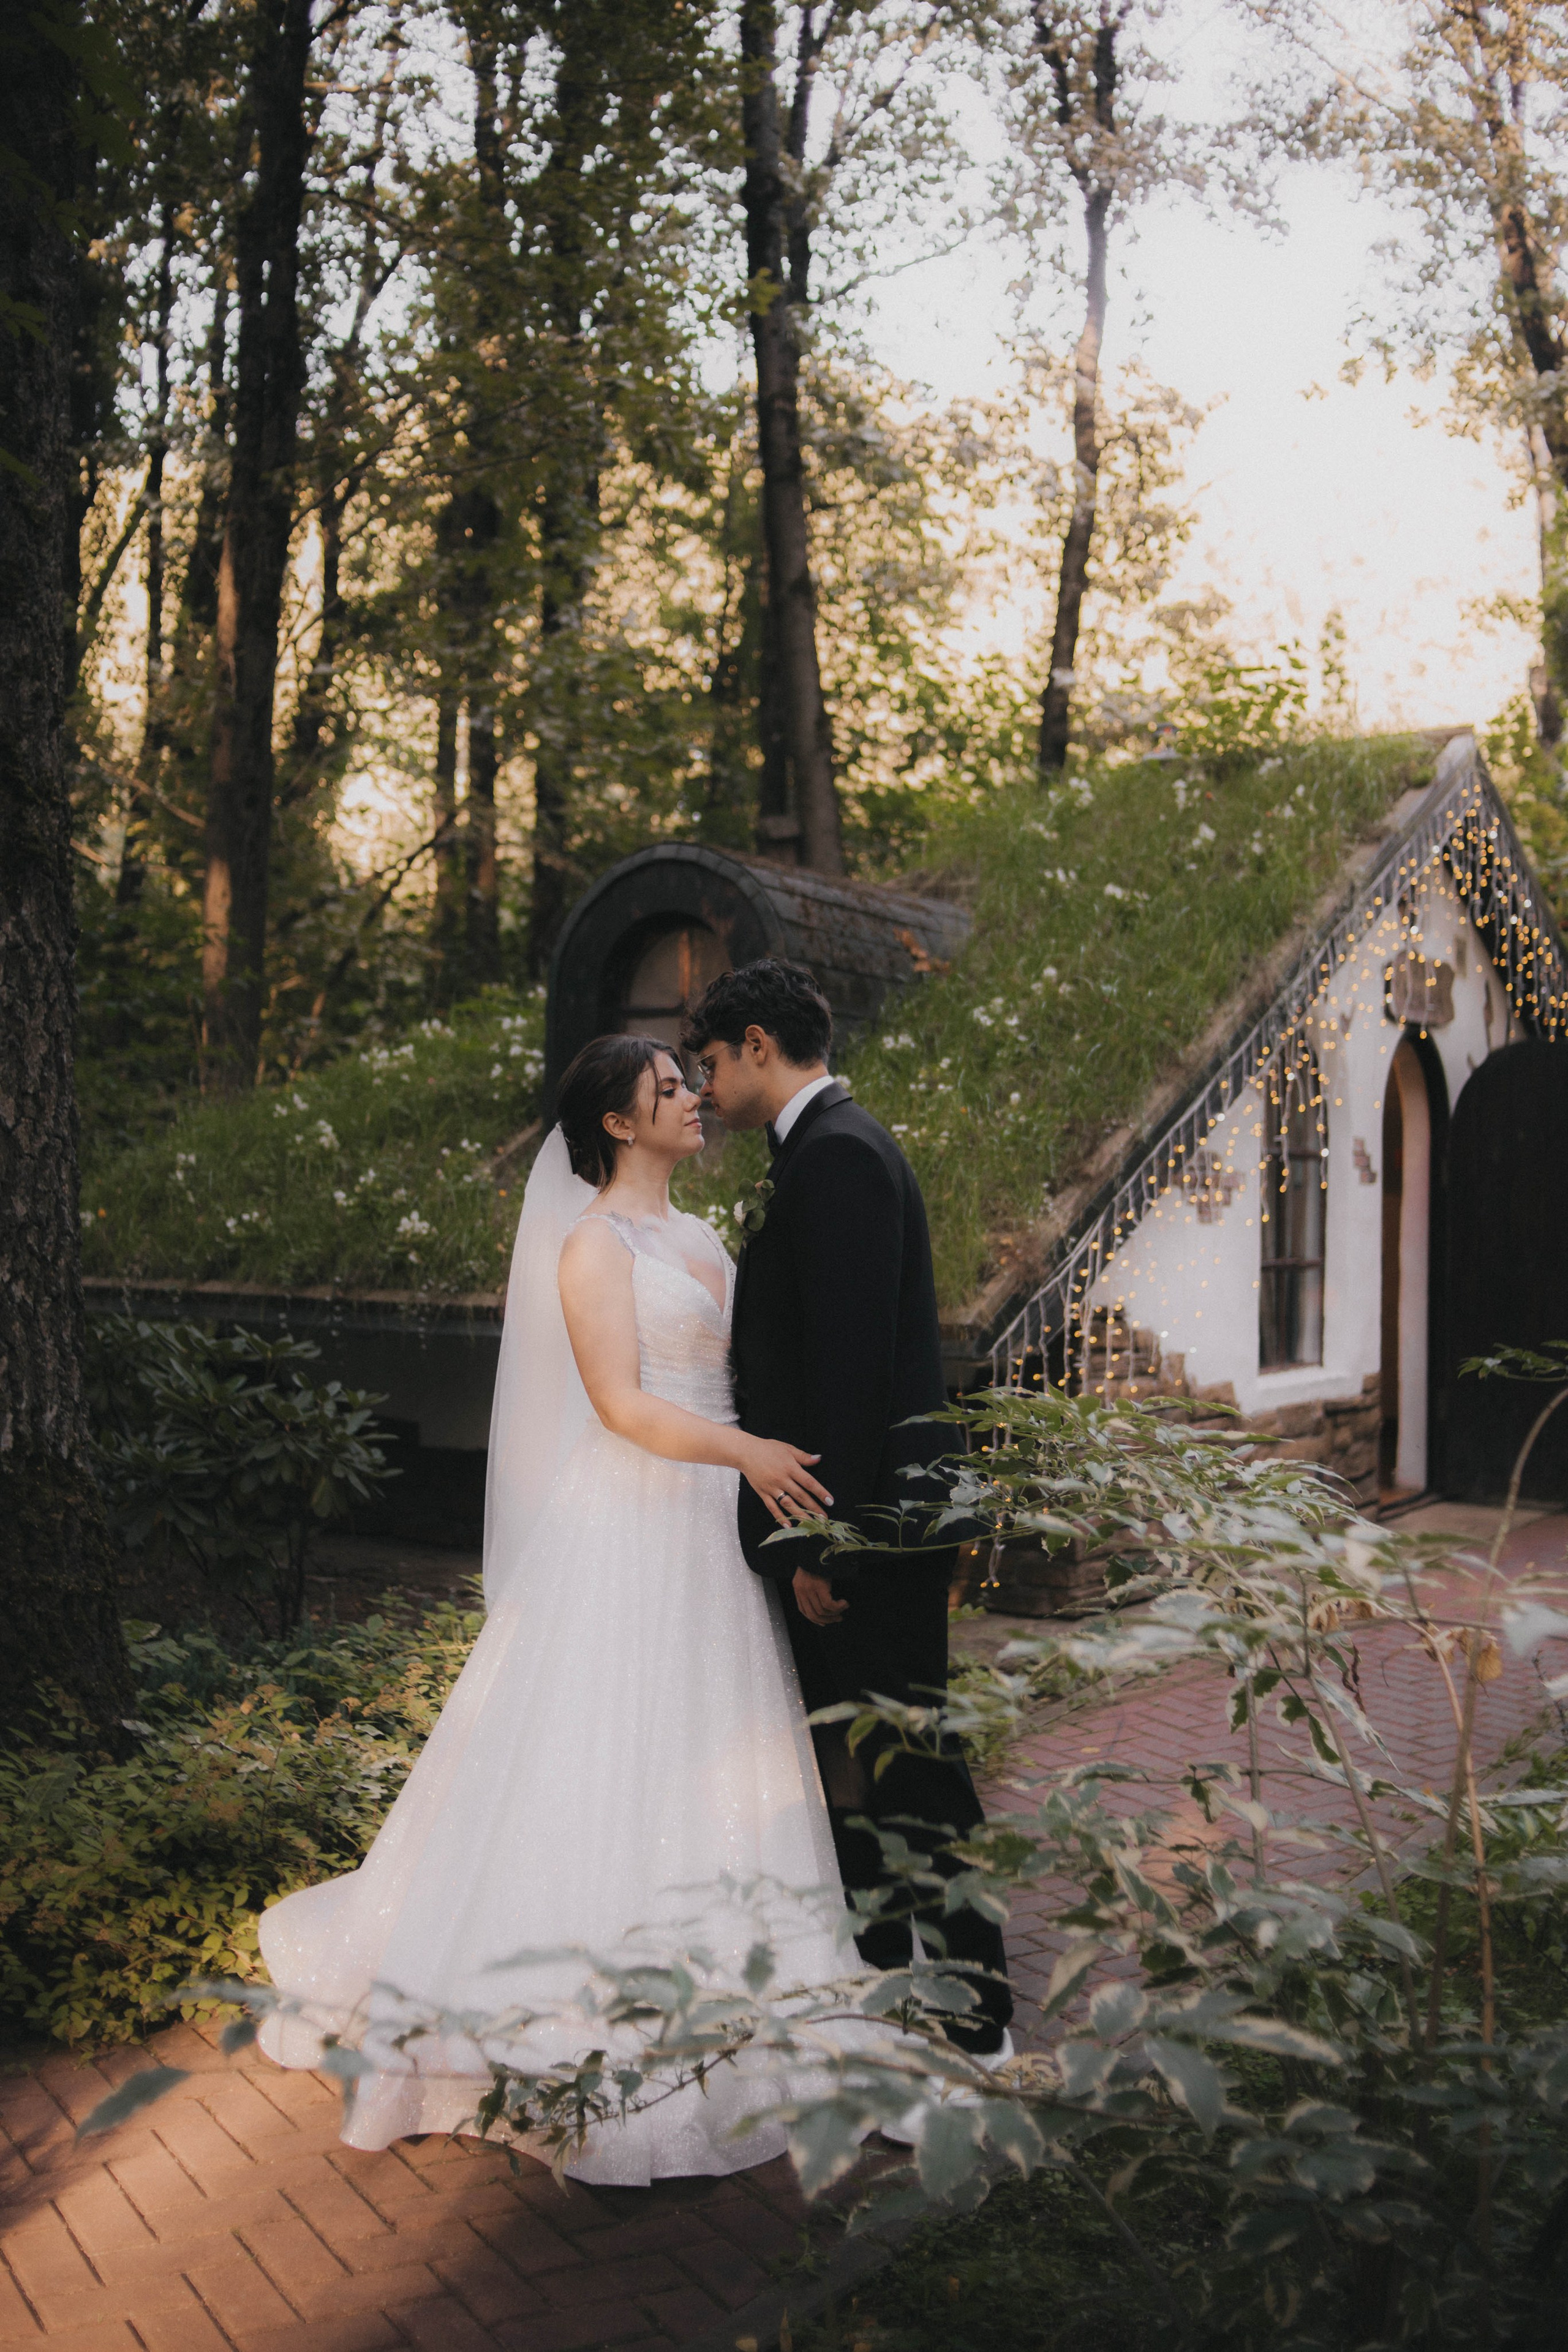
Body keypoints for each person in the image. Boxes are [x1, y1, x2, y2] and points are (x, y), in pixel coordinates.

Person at [258, 1036, 858, 2184]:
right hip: (635, 1518)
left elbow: (742, 1366)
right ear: (621, 1126)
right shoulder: (592, 1248)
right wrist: (749, 1454)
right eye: (670, 1090)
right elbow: (624, 1406)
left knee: (711, 1743)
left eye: (689, 1083)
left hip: (710, 1536)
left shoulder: (700, 1235)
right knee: (599, 1749)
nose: (694, 1100)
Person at [683, 959, 1013, 2056]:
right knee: (867, 1757)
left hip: (870, 1529)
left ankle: (980, 2016)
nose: (706, 1082)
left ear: (760, 1046)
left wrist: (825, 1544)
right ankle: (895, 1971)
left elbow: (852, 1376)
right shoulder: (826, 1152)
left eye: (713, 1060)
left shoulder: (839, 1161)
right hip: (863, 1521)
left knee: (914, 1758)